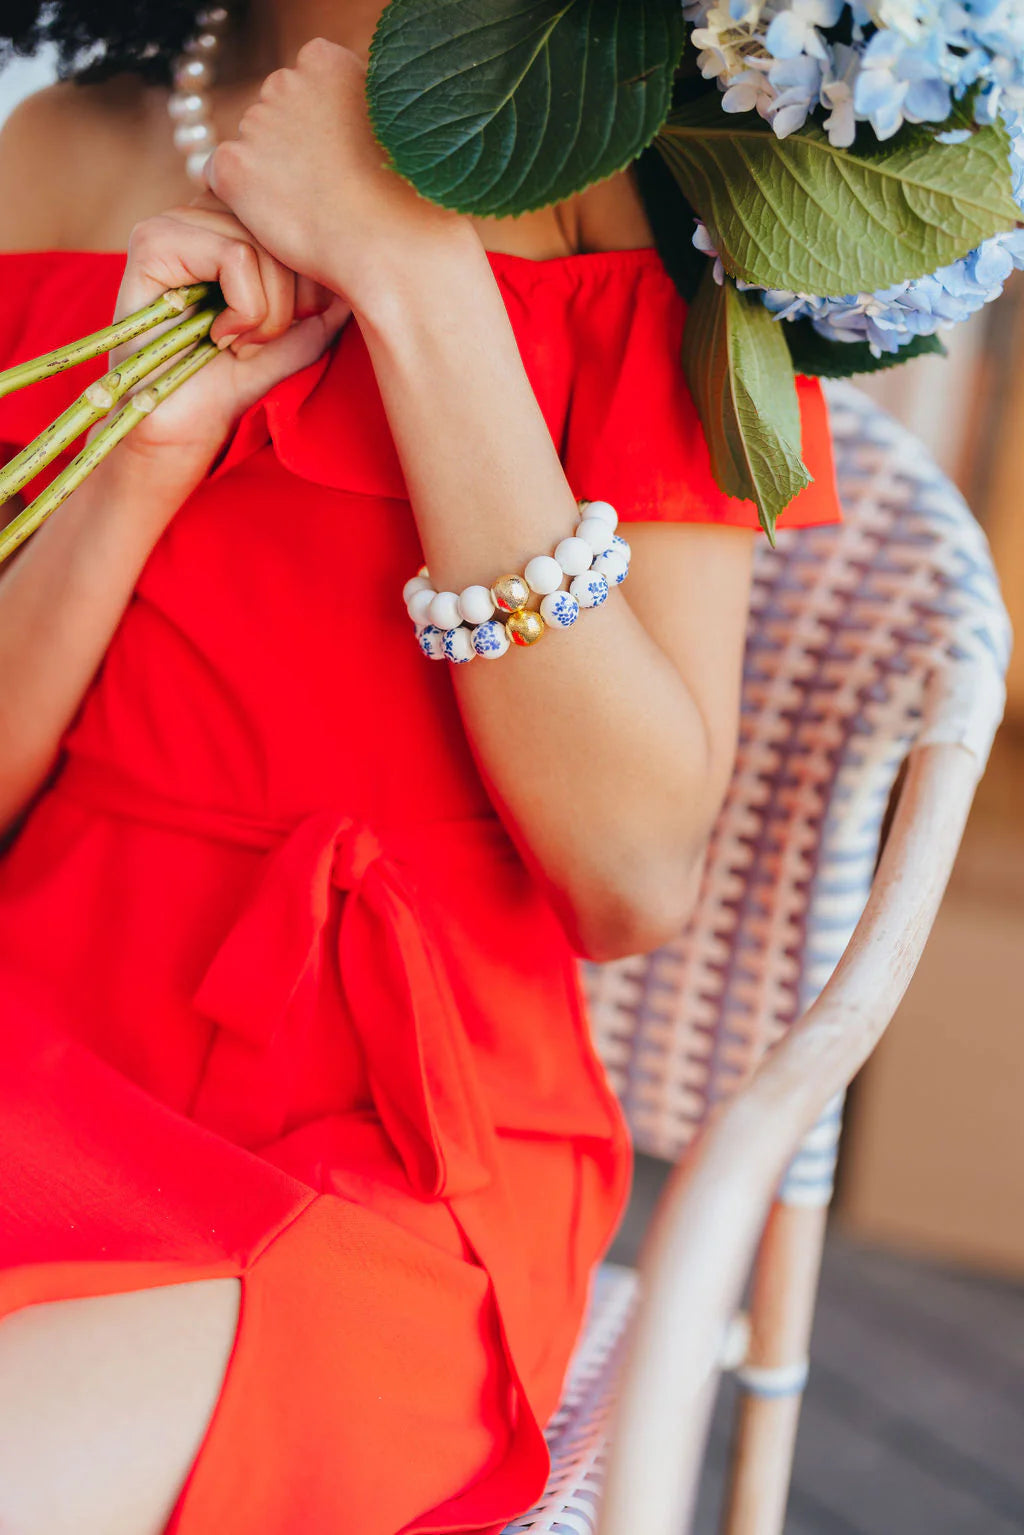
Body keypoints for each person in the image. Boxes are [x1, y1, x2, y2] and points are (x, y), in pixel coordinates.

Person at [0, 3, 843, 1532]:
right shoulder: (60, 148)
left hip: (403, 1143)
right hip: (40, 1023)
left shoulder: (661, 175)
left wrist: (414, 278)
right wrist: (140, 457)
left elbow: (634, 875)